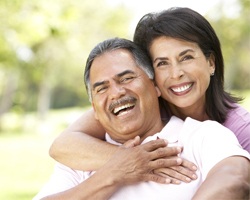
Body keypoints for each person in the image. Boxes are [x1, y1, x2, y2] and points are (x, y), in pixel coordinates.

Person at [49, 7, 250, 183]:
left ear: (211, 62)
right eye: (162, 63)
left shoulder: (240, 129)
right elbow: (62, 146)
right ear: (149, 75)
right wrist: (137, 160)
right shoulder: (139, 105)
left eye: (186, 57)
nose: (176, 73)